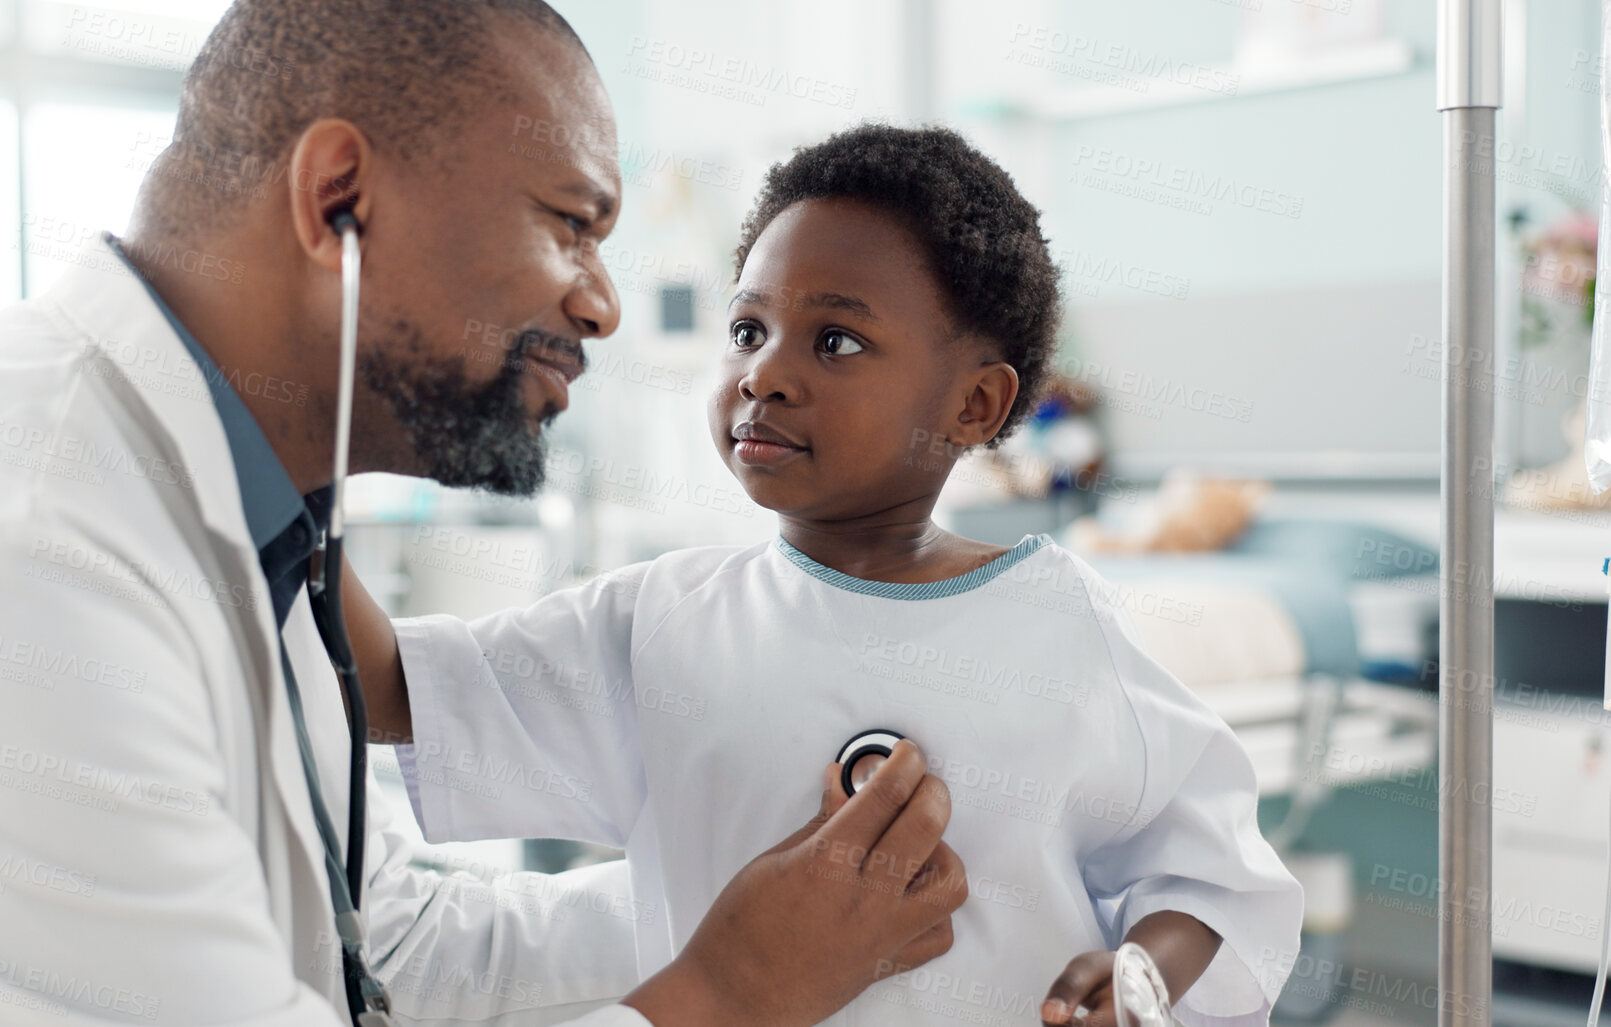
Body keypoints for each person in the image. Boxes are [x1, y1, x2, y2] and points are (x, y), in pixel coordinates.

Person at [0, 4, 970, 1025]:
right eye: (571, 223)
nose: (601, 304)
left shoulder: (243, 519)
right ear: (338, 197)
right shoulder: (6, 578)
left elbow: (379, 949)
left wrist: (769, 900)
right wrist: (732, 993)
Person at [344, 125, 1306, 1027]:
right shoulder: (662, 620)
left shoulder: (1064, 627)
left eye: (834, 341)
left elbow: (1206, 876)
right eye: (746, 329)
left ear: (973, 403)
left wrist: (1139, 973)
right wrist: (273, 464)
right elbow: (392, 688)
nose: (765, 373)